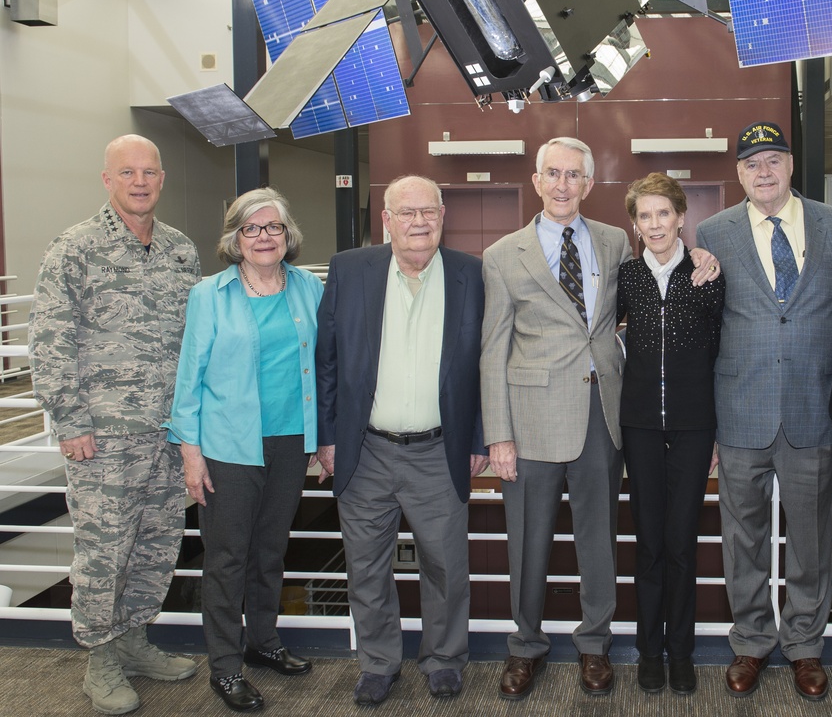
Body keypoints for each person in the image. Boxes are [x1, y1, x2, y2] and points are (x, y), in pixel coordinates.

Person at [481, 137, 721, 700]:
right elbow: (492, 350)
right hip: (532, 417)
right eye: (553, 173)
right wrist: (498, 436)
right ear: (537, 180)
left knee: (600, 542)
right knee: (528, 544)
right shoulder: (502, 254)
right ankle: (526, 647)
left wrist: (704, 255)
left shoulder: (616, 242)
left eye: (575, 175)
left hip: (606, 415)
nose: (564, 184)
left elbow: (663, 269)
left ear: (590, 185)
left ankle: (595, 645)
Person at [28, 134, 201, 715]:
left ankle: (133, 639)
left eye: (149, 171)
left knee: (156, 545)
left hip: (167, 435)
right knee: (104, 551)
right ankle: (99, 656)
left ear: (161, 178)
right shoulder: (75, 248)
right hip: (102, 438)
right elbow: (49, 341)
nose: (140, 181)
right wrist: (70, 421)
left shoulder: (181, 251)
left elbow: (195, 344)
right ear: (107, 179)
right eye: (127, 172)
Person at [315, 175, 488, 706]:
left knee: (445, 566)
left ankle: (443, 659)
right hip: (364, 450)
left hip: (440, 451)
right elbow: (326, 359)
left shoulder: (471, 274)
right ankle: (378, 663)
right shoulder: (349, 269)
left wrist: (479, 439)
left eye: (429, 212)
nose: (419, 223)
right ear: (385, 220)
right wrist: (327, 436)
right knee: (365, 564)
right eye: (405, 213)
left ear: (443, 216)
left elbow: (486, 364)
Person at [696, 122, 832, 702]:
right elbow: (706, 326)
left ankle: (806, 645)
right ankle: (752, 641)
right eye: (752, 162)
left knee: (811, 537)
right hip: (739, 412)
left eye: (774, 160)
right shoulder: (713, 231)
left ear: (791, 166)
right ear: (738, 173)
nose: (764, 171)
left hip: (814, 408)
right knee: (743, 539)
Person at [166, 187, 324, 712]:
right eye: (251, 229)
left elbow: (325, 367)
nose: (263, 237)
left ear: (287, 235)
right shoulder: (209, 295)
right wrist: (190, 452)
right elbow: (189, 378)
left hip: (289, 442)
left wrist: (323, 439)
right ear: (235, 238)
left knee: (271, 551)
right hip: (228, 447)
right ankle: (226, 668)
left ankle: (263, 642)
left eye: (273, 227)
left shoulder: (308, 288)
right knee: (227, 559)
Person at [617, 173, 725, 696]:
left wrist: (720, 433)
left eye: (663, 214)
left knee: (683, 544)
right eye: (644, 216)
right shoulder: (627, 277)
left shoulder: (707, 274)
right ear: (634, 225)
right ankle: (649, 651)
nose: (655, 224)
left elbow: (722, 353)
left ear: (682, 217)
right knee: (649, 546)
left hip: (693, 425)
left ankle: (681, 652)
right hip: (639, 425)